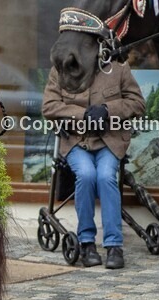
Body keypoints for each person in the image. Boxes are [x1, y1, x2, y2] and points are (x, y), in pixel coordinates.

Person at [42, 62, 145, 269]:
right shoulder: (61, 69)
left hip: (110, 140)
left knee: (106, 176)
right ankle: (87, 243)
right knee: (87, 175)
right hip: (75, 141)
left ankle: (114, 246)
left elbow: (138, 104)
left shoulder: (119, 68)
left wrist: (107, 110)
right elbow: (49, 106)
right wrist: (82, 115)